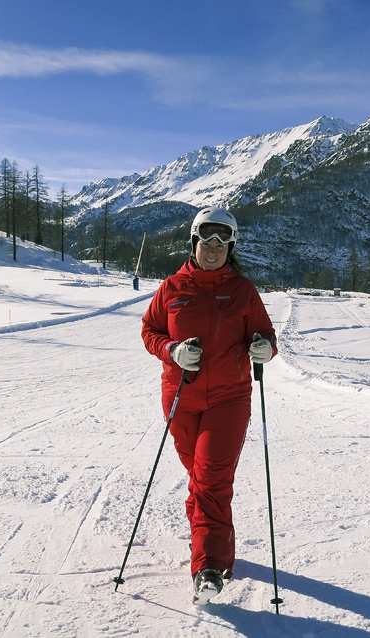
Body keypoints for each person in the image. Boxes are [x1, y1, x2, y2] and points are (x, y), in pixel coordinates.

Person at [141, 206, 276, 603]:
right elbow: (149, 331)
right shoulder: (172, 288)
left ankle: (209, 566)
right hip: (180, 398)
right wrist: (171, 350)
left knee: (211, 480)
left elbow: (266, 335)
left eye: (222, 241)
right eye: (207, 240)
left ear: (231, 245)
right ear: (194, 241)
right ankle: (215, 544)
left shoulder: (243, 291)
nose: (214, 248)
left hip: (229, 400)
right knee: (202, 481)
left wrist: (266, 349)